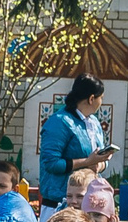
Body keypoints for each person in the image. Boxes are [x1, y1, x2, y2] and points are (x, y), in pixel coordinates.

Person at [35, 75, 113, 206]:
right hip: (59, 202)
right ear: (91, 98)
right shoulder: (59, 122)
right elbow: (51, 163)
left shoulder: (94, 122)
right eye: (101, 98)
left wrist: (99, 164)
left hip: (89, 202)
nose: (101, 102)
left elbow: (98, 158)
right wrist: (87, 162)